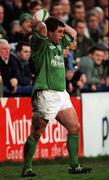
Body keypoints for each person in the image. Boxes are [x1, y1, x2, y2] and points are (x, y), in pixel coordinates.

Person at [21, 16, 92, 177]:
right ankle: (26, 168)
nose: (61, 35)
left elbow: (73, 32)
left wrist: (56, 20)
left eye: (61, 32)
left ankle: (74, 165)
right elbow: (41, 29)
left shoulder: (59, 44)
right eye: (58, 32)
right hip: (45, 93)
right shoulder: (40, 44)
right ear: (49, 32)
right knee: (37, 132)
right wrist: (41, 20)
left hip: (61, 94)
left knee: (75, 127)